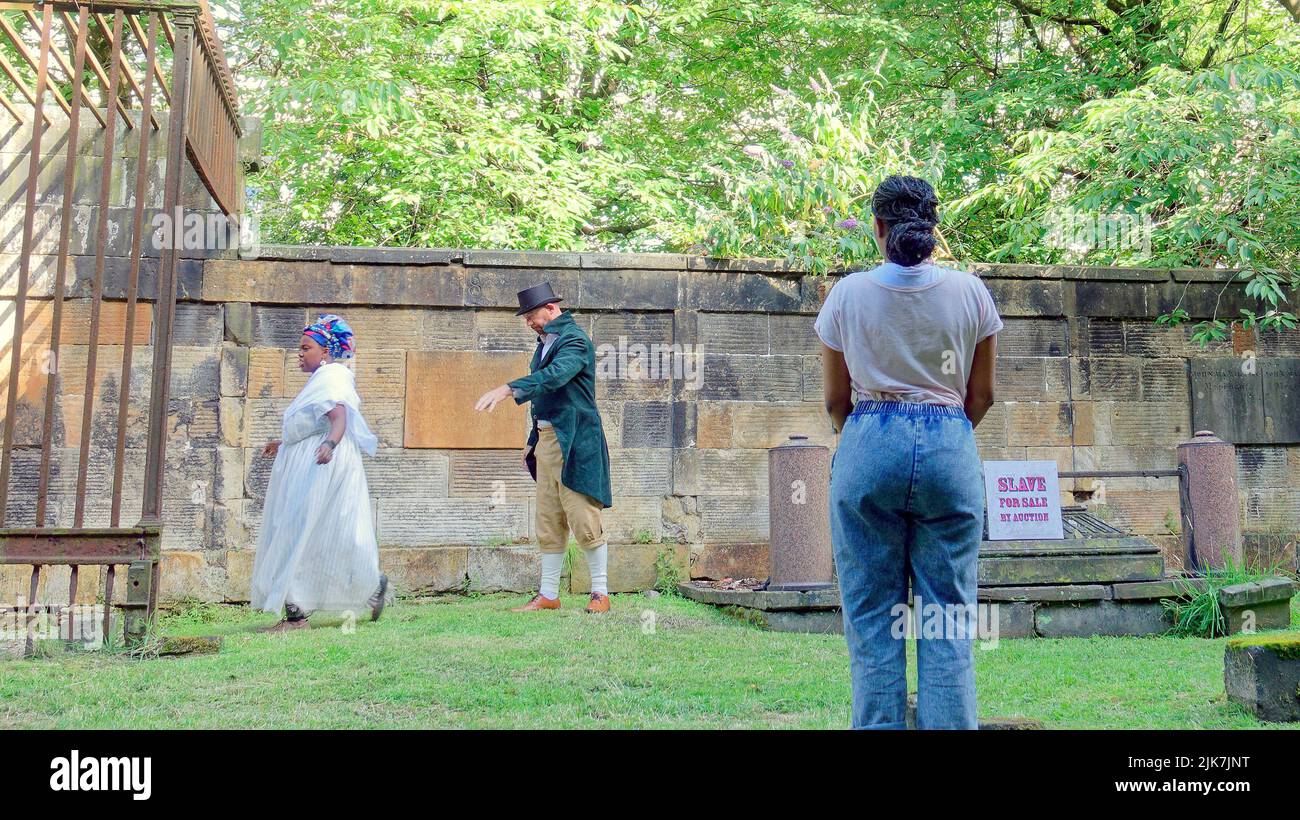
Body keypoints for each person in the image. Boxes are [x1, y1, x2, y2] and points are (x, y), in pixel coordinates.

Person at [816, 175, 1001, 729]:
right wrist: (942, 430)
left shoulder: (847, 294)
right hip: (951, 441)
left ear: (877, 227)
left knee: (872, 616)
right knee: (949, 615)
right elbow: (983, 394)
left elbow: (835, 399)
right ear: (934, 227)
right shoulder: (971, 292)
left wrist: (873, 438)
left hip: (869, 441)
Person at [475, 283, 614, 614]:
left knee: (582, 515)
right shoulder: (545, 344)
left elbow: (553, 378)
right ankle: (548, 594)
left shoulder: (575, 341)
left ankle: (600, 593)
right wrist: (533, 441)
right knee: (549, 519)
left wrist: (509, 388)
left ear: (551, 308)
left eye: (531, 315)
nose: (528, 323)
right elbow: (545, 398)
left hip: (577, 441)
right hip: (549, 441)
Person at [250, 314, 389, 632]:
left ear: (325, 352)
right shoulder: (321, 380)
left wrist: (329, 444)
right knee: (318, 535)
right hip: (309, 464)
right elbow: (313, 422)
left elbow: (338, 418)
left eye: (306, 347)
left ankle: (297, 618)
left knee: (295, 534)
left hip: (320, 467)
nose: (299, 353)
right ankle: (370, 586)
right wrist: (281, 442)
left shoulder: (330, 378)